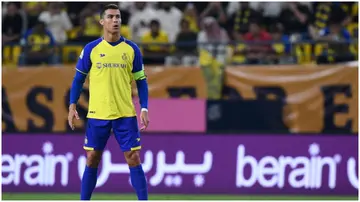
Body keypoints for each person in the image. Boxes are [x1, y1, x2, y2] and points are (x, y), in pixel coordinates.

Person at [67, 4, 149, 200]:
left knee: (134, 158)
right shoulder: (91, 49)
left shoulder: (131, 49)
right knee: (92, 158)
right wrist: (72, 106)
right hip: (98, 114)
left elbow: (141, 80)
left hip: (125, 114)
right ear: (102, 21)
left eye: (118, 17)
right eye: (111, 17)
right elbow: (78, 79)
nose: (115, 21)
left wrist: (144, 108)